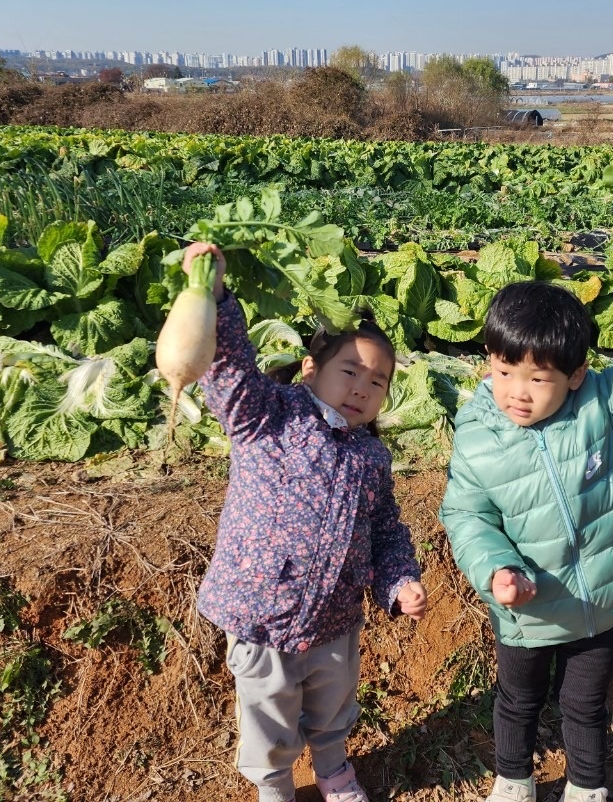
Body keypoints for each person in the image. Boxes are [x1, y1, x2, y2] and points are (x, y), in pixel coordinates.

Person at [439, 227, 613, 802]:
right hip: (528, 607)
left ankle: (586, 787)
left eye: (537, 379)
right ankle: (513, 779)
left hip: (599, 605)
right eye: (503, 372)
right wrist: (496, 571)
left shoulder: (606, 408)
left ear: (573, 375)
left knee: (585, 704)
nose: (517, 392)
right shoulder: (477, 437)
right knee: (517, 701)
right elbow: (467, 516)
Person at [183, 242, 429, 802]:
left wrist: (399, 582)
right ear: (311, 369)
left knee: (333, 704)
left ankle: (334, 769)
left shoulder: (372, 456)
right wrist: (214, 297)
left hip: (337, 617)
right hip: (260, 614)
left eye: (378, 382)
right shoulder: (268, 417)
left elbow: (387, 529)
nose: (362, 388)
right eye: (351, 371)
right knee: (268, 718)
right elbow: (229, 372)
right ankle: (273, 787)